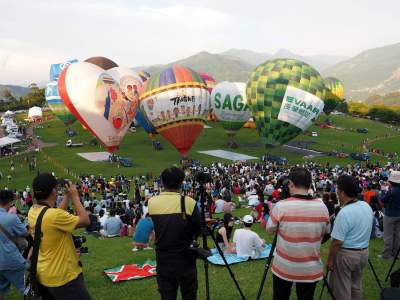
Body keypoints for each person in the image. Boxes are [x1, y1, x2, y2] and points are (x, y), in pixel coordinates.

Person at [266, 167, 330, 300]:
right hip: (310, 268)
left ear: (291, 184)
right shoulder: (322, 207)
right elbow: (326, 233)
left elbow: (269, 230)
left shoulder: (281, 206)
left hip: (284, 267)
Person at [27, 173, 91, 300]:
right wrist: (75, 197)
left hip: (45, 274)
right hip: (64, 277)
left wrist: (66, 197)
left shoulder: (33, 211)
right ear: (53, 191)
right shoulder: (54, 216)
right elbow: (85, 220)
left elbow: (54, 215)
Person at [148, 167, 201, 300]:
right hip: (186, 257)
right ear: (181, 182)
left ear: (162, 183)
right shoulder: (189, 202)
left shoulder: (152, 202)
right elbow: (198, 230)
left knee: (167, 295)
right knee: (189, 294)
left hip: (163, 258)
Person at [327, 175, 373, 300]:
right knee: (355, 285)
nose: (336, 193)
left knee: (342, 288)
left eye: (337, 190)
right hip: (363, 252)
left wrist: (330, 260)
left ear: (342, 192)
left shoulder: (345, 212)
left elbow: (337, 242)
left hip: (347, 255)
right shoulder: (365, 206)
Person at [0, 190, 28, 300]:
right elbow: (25, 233)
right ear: (10, 202)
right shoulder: (12, 218)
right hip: (11, 260)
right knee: (27, 288)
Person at [379, 171, 400, 260]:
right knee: (398, 235)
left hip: (390, 214)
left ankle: (387, 255)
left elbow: (383, 199)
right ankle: (396, 254)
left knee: (388, 235)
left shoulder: (391, 190)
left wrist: (383, 190)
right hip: (399, 214)